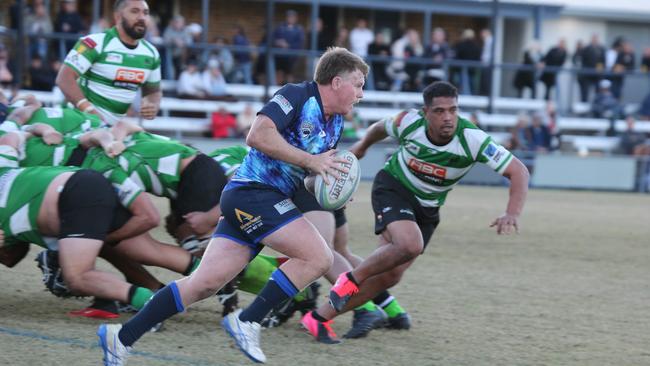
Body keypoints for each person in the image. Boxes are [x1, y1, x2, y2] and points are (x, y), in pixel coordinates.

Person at [97, 46, 368, 365]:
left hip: (264, 199)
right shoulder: (297, 95)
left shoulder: (333, 124)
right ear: (336, 82)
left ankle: (121, 338)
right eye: (359, 84)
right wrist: (311, 160)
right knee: (318, 256)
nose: (361, 94)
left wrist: (331, 187)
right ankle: (248, 321)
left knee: (203, 283)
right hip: (253, 193)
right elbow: (257, 135)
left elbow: (308, 175)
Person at [301, 81, 530, 343]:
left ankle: (318, 318)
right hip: (393, 187)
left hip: (428, 208)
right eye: (440, 111)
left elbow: (518, 171)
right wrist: (362, 148)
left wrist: (512, 213)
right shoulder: (408, 121)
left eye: (453, 110)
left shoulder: (472, 139)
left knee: (390, 275)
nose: (447, 117)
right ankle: (351, 279)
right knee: (410, 244)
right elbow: (379, 128)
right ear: (425, 112)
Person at [56, 0, 161, 125]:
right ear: (118, 16)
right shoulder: (93, 43)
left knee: (169, 144)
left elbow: (154, 91)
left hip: (115, 130)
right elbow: (64, 78)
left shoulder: (151, 53)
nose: (141, 17)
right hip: (79, 121)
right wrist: (88, 109)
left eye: (145, 13)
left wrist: (152, 103)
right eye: (134, 11)